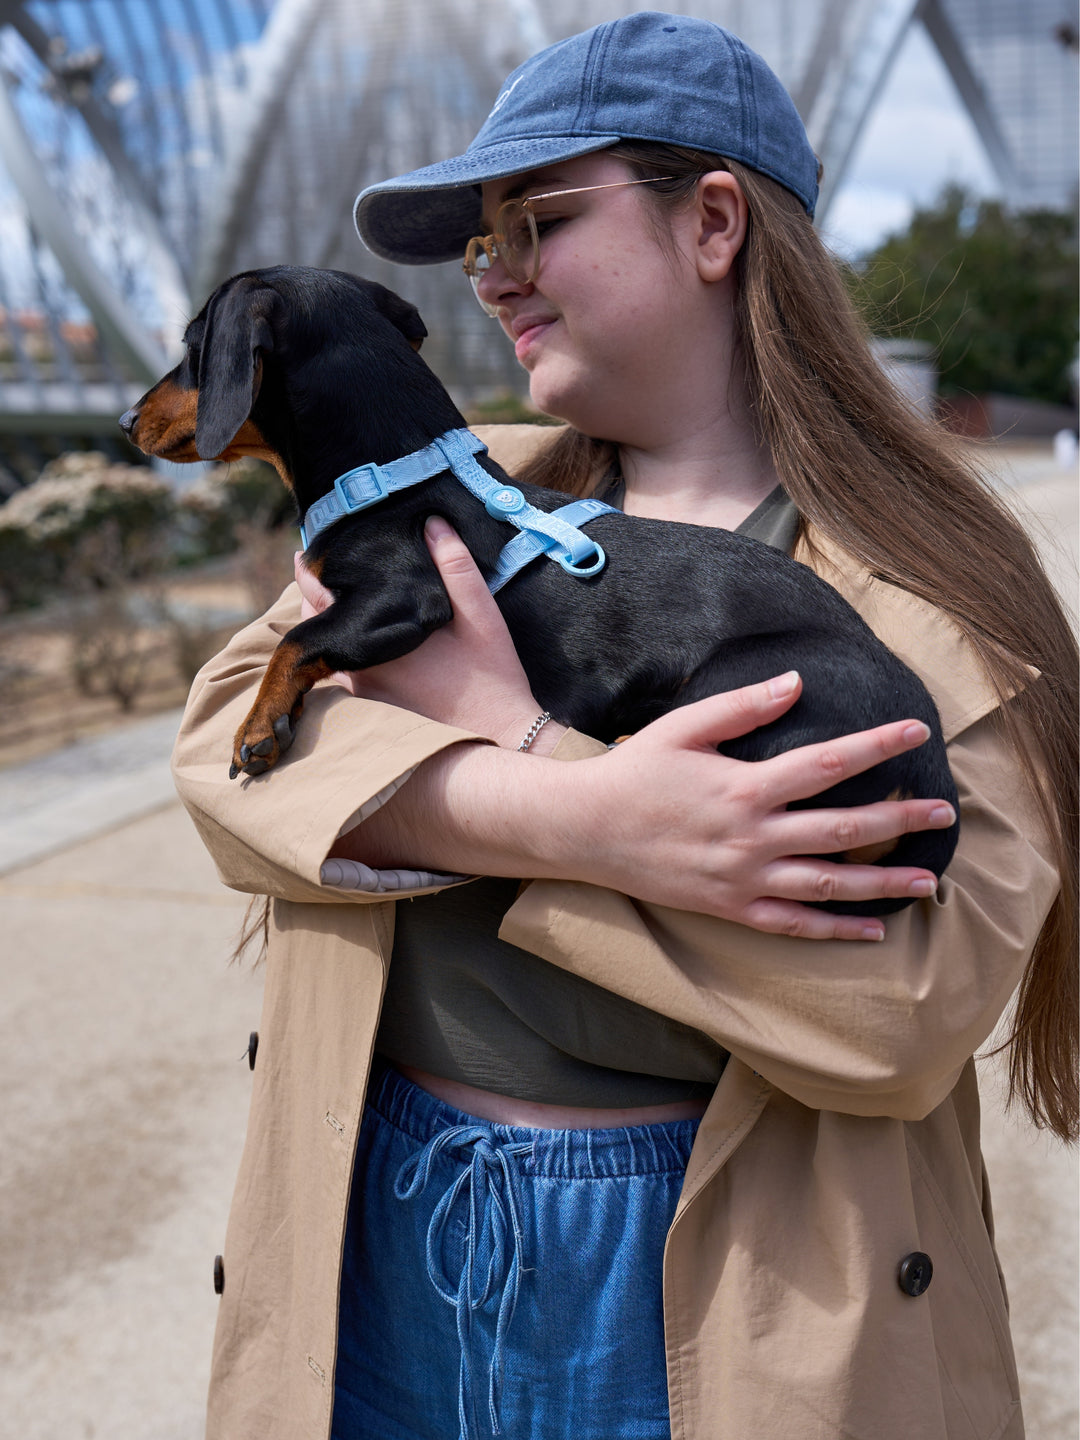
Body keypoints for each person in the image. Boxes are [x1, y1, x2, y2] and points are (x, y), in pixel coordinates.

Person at [172, 13, 1078, 1440]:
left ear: (713, 222)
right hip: (383, 1231)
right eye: (482, 247)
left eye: (534, 222)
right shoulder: (463, 491)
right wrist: (568, 808)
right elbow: (229, 738)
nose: (496, 280)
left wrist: (463, 757)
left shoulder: (936, 596)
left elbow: (904, 1012)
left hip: (719, 1301)